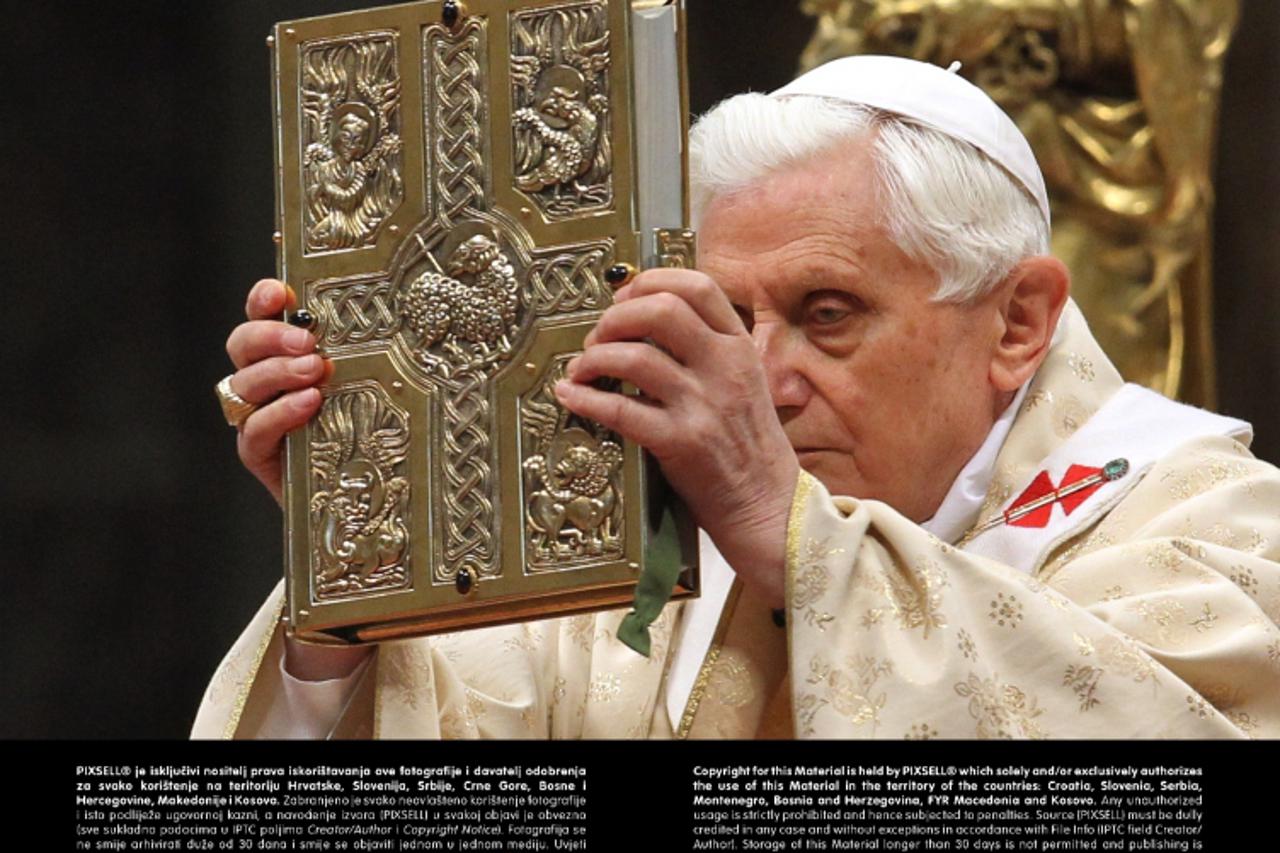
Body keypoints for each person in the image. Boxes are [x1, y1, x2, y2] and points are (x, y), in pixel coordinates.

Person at [200, 56, 1280, 740]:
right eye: (725, 317)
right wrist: (357, 595)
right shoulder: (627, 553)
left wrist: (784, 532)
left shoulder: (1205, 525)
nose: (755, 384)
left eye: (825, 313)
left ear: (1015, 323)